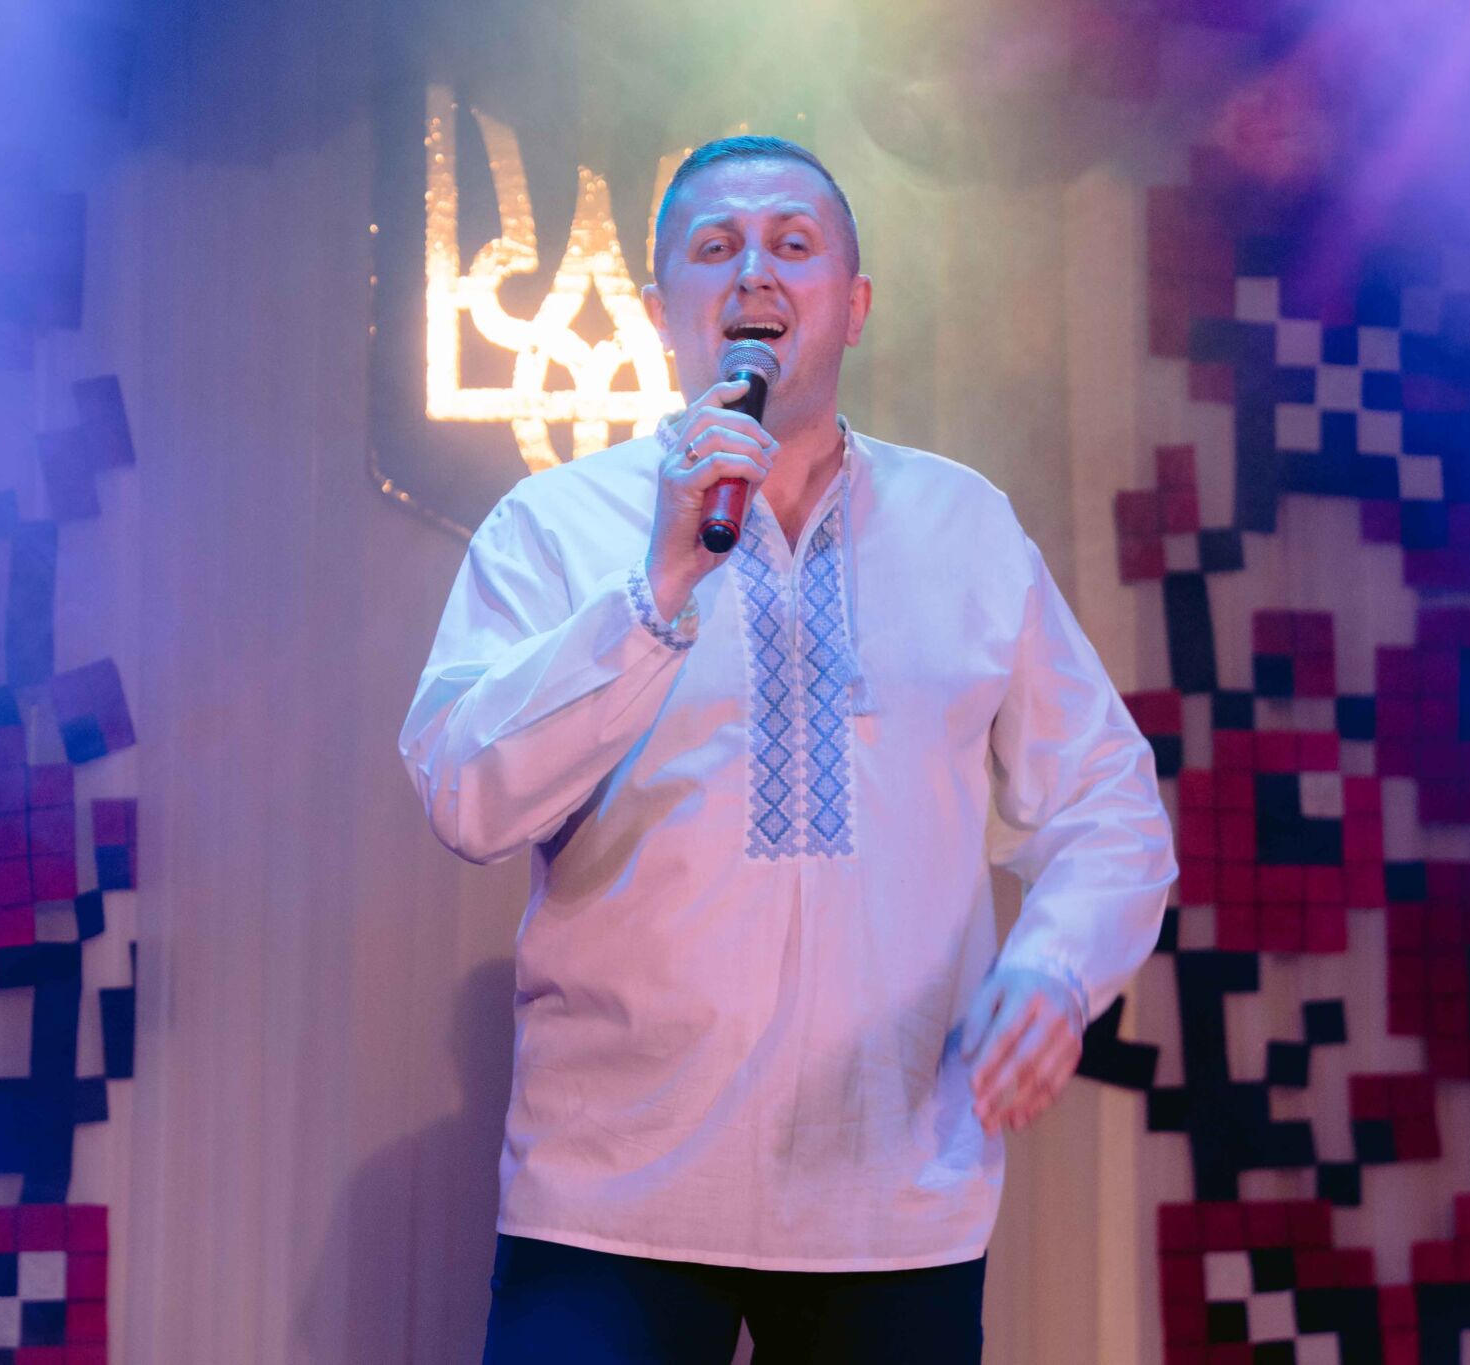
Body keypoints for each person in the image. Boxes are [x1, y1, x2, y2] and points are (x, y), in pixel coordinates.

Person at [400, 135, 1176, 1364]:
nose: (753, 270)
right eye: (715, 247)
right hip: (610, 1198)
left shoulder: (962, 526)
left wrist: (1055, 970)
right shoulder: (555, 524)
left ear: (853, 307)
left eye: (792, 244)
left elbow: (1108, 805)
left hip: (891, 1199)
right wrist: (655, 588)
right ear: (661, 310)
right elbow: (463, 794)